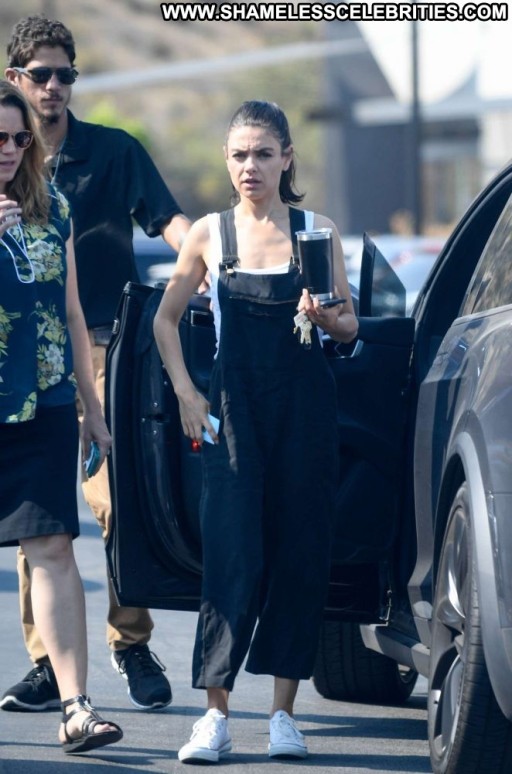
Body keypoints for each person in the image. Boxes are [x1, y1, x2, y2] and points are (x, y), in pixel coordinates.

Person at [153, 100, 359, 763]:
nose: (252, 166)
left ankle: (283, 717)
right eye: (240, 154)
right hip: (233, 416)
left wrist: (324, 317)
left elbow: (349, 328)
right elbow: (163, 320)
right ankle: (214, 716)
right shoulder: (209, 234)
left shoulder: (316, 231)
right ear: (226, 160)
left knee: (300, 555)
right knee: (231, 555)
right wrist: (188, 394)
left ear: (287, 158)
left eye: (264, 154)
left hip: (305, 416)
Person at [0, 14, 191, 714]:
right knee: (40, 521)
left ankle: (129, 641)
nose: (54, 87)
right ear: (16, 79)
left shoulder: (112, 152)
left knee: (114, 503)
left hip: (108, 353)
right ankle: (48, 665)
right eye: (41, 75)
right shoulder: (11, 163)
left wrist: (210, 261)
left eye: (66, 75)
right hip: (23, 360)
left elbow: (169, 222)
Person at [0, 79, 123, 754]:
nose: (11, 148)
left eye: (21, 137)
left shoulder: (53, 207)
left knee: (52, 548)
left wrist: (91, 408)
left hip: (43, 402)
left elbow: (72, 313)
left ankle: (76, 707)